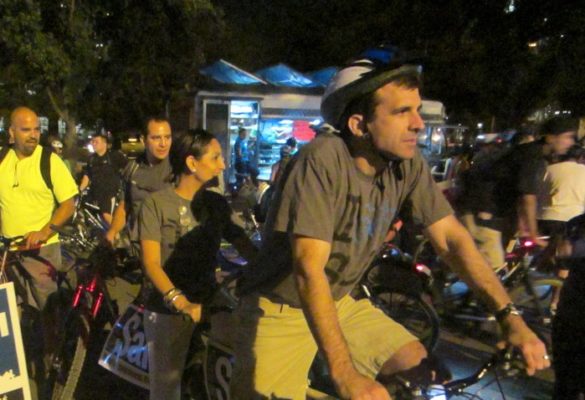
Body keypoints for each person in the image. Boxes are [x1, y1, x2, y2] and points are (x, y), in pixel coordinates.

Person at [231, 54, 549, 399]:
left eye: (417, 110)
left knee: (425, 374)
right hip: (280, 309)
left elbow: (452, 240)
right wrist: (345, 374)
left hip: (340, 303)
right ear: (358, 125)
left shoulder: (407, 165)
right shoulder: (322, 160)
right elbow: (309, 268)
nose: (418, 124)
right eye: (402, 112)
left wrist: (510, 318)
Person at [139, 129, 257, 400]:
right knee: (166, 389)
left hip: (210, 305)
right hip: (168, 312)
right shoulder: (156, 204)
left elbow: (244, 245)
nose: (223, 164)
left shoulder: (216, 203)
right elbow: (151, 263)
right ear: (192, 163)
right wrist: (179, 301)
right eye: (215, 157)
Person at [0, 106, 78, 397]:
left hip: (42, 251)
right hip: (9, 253)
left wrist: (46, 230)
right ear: (11, 133)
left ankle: (52, 369)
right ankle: (13, 373)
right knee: (9, 316)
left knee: (48, 314)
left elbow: (69, 202)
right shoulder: (2, 160)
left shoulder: (49, 160)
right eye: (26, 130)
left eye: (36, 129)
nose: (34, 135)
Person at [459, 117, 577, 270]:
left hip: (486, 209)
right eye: (567, 137)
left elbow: (519, 191)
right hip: (482, 210)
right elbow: (528, 197)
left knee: (484, 262)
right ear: (550, 137)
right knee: (493, 267)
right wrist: (533, 234)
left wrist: (523, 225)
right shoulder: (533, 158)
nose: (571, 143)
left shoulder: (532, 153)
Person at [104, 118, 173, 248]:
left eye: (167, 137)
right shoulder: (132, 169)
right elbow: (125, 206)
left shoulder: (178, 169)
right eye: (156, 138)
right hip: (138, 248)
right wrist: (112, 232)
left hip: (170, 252)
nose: (163, 144)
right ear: (143, 139)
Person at [79, 131, 128, 225]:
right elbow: (87, 175)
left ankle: (115, 236)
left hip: (109, 193)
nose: (93, 144)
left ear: (104, 143)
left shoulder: (114, 156)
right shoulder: (91, 159)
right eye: (92, 142)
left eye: (96, 142)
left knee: (106, 214)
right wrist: (80, 190)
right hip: (94, 193)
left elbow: (128, 168)